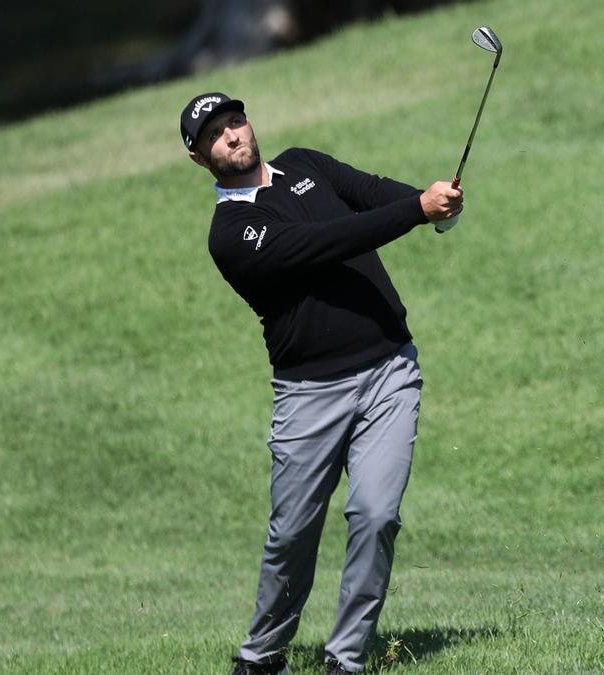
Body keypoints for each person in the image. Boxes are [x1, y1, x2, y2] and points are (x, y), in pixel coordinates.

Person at [180, 92, 463, 675]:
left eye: (235, 121)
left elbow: (374, 192)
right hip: (310, 395)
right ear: (199, 157)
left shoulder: (306, 165)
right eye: (215, 134)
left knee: (376, 515)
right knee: (292, 535)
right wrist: (416, 210)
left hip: (389, 372)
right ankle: (262, 657)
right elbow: (325, 246)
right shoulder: (231, 232)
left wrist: (435, 201)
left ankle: (347, 660)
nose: (232, 135)